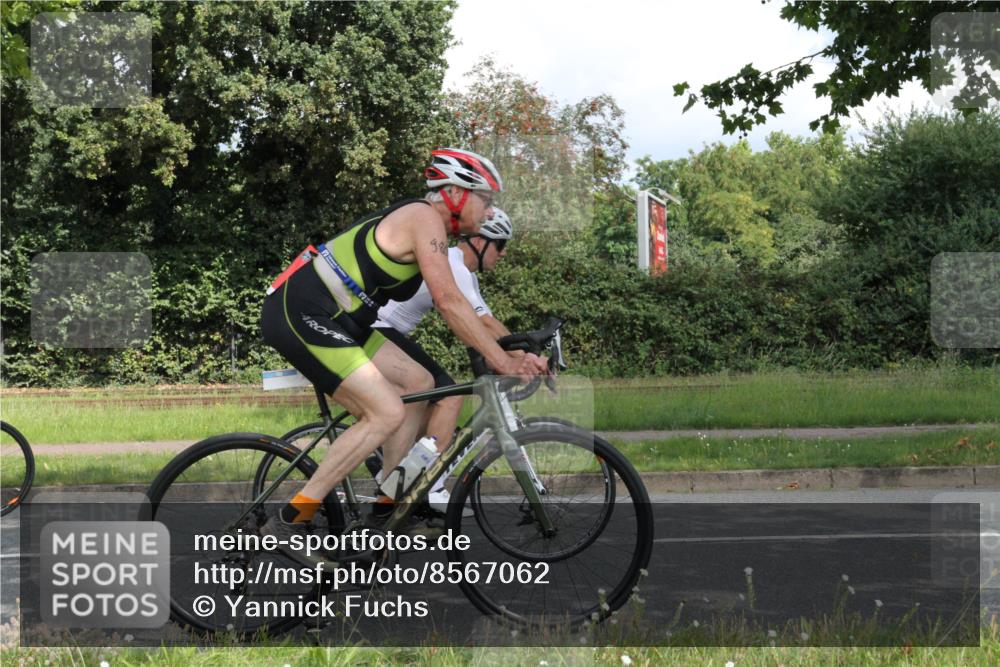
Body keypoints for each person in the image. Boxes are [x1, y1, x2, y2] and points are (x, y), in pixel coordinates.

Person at [259, 149, 548, 565]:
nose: (490, 210)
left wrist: (509, 353)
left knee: (422, 384)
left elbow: (464, 308)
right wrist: (503, 363)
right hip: (302, 310)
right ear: (452, 193)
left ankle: (385, 505)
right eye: (484, 198)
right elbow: (450, 302)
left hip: (347, 321)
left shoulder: (436, 234)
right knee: (386, 412)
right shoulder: (422, 219)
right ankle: (291, 520)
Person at [371, 208, 515, 512]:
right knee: (449, 397)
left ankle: (403, 477)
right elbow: (486, 325)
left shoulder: (466, 274)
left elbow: (483, 324)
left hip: (386, 331)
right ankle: (430, 484)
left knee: (437, 402)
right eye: (501, 245)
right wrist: (524, 355)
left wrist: (520, 349)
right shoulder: (454, 265)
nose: (502, 255)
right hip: (378, 329)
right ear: (481, 241)